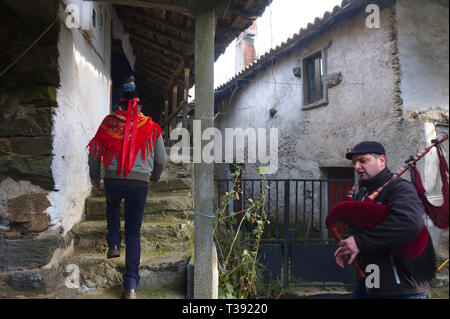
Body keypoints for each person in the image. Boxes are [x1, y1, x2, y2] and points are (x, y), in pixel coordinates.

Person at [87, 90, 166, 299]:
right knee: (133, 232)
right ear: (140, 107)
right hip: (139, 184)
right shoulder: (151, 127)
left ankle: (113, 242)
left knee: (112, 206)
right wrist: (152, 178)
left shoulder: (108, 123)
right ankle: (130, 286)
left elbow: (94, 154)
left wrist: (95, 178)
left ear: (119, 105)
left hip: (112, 181)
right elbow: (161, 160)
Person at [334, 141, 436, 299]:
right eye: (354, 163)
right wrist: (348, 243)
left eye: (363, 161)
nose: (357, 167)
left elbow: (409, 224)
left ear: (381, 160)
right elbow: (357, 225)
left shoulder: (400, 189)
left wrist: (360, 242)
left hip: (401, 290)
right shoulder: (362, 193)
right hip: (369, 284)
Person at [111, 39, 136, 111]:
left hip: (124, 84)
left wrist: (114, 87)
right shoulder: (123, 56)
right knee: (126, 106)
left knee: (113, 104)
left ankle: (112, 119)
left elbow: (116, 73)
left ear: (115, 47)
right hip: (131, 84)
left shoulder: (115, 56)